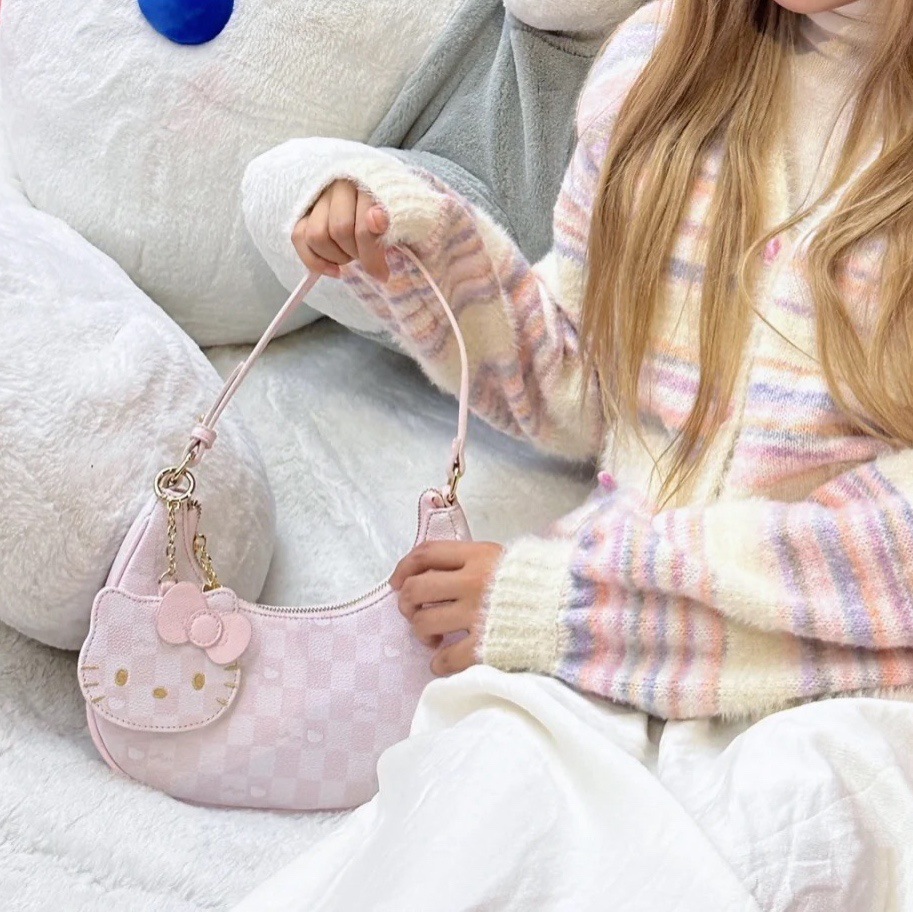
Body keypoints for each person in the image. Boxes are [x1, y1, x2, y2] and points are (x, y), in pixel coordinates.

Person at [237, 2, 913, 908]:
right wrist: (422, 249)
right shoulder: (660, 62)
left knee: (778, 834)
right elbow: (584, 386)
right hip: (597, 660)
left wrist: (580, 602)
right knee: (470, 822)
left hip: (852, 694)